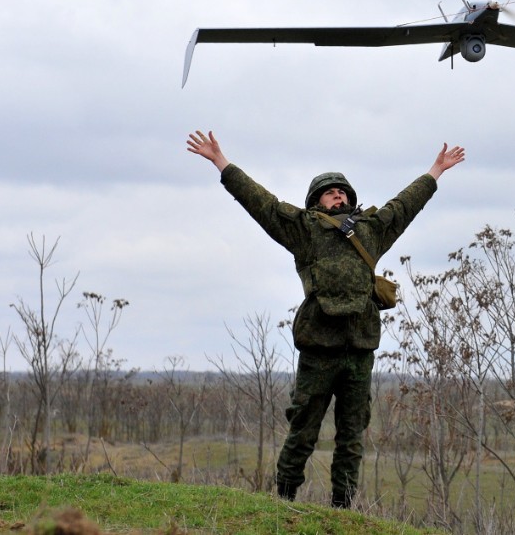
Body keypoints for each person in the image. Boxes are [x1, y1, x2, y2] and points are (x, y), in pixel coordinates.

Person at [186, 129, 465, 507]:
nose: (339, 194)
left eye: (343, 191)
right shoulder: (304, 230)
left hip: (359, 349)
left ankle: (343, 510)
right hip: (319, 349)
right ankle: (283, 502)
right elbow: (261, 203)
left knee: (352, 437)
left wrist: (435, 171)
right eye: (331, 191)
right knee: (303, 430)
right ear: (317, 200)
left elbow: (404, 206)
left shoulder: (370, 230)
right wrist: (222, 162)